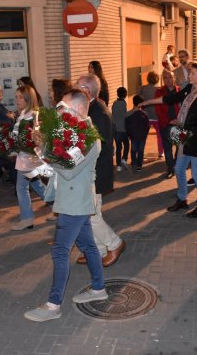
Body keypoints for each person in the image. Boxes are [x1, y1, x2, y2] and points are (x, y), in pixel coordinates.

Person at [23, 88, 107, 323]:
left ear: (79, 110)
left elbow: (69, 170)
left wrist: (44, 157)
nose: (60, 112)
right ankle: (99, 287)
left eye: (65, 108)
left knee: (60, 251)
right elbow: (65, 159)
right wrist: (44, 146)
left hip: (75, 203)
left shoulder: (90, 137)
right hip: (74, 201)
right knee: (89, 246)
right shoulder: (77, 132)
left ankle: (53, 305)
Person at [141, 64, 197, 218]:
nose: (190, 75)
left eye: (193, 73)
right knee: (179, 168)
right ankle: (182, 199)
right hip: (185, 137)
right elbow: (171, 98)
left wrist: (185, 125)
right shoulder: (189, 89)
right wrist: (149, 102)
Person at [76, 74, 126, 267]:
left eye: (77, 87)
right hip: (92, 172)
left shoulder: (98, 113)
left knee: (91, 215)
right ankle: (99, 250)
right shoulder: (92, 108)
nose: (74, 91)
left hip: (96, 173)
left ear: (87, 91)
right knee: (91, 215)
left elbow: (100, 148)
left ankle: (115, 244)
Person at [13, 85, 47, 230]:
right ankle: (59, 208)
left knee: (21, 187)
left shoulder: (33, 115)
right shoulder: (23, 114)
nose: (17, 100)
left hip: (29, 157)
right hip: (25, 156)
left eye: (20, 97)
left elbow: (38, 138)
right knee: (37, 184)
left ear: (28, 98)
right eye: (16, 97)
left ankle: (27, 219)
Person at [155, 70, 180, 179]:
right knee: (167, 148)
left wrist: (179, 120)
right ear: (163, 80)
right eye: (165, 77)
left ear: (174, 78)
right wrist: (168, 121)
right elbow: (158, 110)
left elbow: (185, 107)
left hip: (179, 124)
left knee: (180, 146)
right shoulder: (159, 92)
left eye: (170, 77)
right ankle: (170, 169)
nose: (168, 79)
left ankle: (176, 164)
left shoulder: (180, 91)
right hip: (165, 124)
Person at [137, 71, 163, 158]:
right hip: (157, 116)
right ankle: (160, 152)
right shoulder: (159, 89)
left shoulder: (142, 89)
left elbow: (138, 98)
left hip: (145, 116)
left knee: (143, 135)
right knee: (160, 135)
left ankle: (141, 151)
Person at [125, 95, 150, 171]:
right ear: (141, 104)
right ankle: (139, 165)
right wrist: (145, 134)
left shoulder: (128, 114)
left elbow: (127, 126)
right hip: (142, 136)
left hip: (133, 136)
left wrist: (129, 134)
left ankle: (134, 164)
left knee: (133, 150)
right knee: (141, 150)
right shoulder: (144, 114)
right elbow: (147, 126)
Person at [112, 86, 129, 172]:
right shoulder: (124, 103)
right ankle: (124, 159)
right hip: (123, 129)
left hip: (116, 129)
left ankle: (118, 165)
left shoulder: (114, 103)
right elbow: (125, 116)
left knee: (119, 147)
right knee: (126, 145)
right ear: (125, 95)